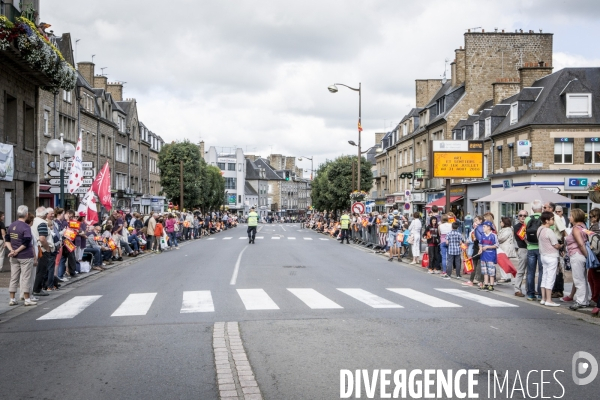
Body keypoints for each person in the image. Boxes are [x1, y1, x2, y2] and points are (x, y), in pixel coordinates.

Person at [5, 205, 37, 306]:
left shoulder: (11, 225)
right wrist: (17, 250)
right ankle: (27, 299)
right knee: (26, 277)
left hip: (14, 257)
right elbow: (27, 241)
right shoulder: (26, 227)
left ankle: (12, 298)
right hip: (25, 256)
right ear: (27, 215)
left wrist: (12, 251)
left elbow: (7, 239)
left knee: (13, 277)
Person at [565, 208, 590, 310]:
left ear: (575, 216)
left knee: (578, 279)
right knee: (583, 279)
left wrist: (586, 255)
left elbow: (580, 243)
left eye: (571, 215)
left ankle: (580, 301)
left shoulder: (576, 228)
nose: (569, 217)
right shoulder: (583, 226)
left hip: (577, 255)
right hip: (581, 255)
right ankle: (585, 300)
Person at [537, 211, 562, 307]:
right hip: (551, 256)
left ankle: (543, 298)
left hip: (543, 255)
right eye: (552, 219)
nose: (553, 220)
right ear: (547, 221)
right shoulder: (549, 231)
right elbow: (555, 245)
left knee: (544, 277)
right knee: (550, 278)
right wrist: (561, 246)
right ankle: (549, 300)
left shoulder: (539, 229)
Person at [525, 200, 544, 301]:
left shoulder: (527, 219)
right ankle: (541, 294)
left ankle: (531, 294)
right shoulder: (544, 218)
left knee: (530, 272)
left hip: (530, 247)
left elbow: (524, 232)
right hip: (541, 248)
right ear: (541, 208)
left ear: (532, 209)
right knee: (541, 271)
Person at [478, 220, 498, 291]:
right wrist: (480, 249)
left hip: (490, 255)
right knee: (485, 271)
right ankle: (486, 284)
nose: (483, 228)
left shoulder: (493, 235)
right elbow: (480, 244)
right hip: (483, 256)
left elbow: (496, 245)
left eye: (484, 226)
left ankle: (491, 284)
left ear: (489, 227)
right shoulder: (482, 235)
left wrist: (487, 247)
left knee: (491, 271)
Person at [512, 210, 529, 297]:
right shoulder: (516, 226)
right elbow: (522, 237)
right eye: (521, 215)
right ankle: (517, 289)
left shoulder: (529, 224)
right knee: (521, 270)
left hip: (531, 249)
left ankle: (529, 289)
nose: (523, 217)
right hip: (523, 249)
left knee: (530, 271)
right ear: (518, 217)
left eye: (525, 216)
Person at [498, 216, 518, 284]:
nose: (500, 223)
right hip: (504, 248)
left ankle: (505, 277)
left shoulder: (507, 230)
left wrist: (497, 238)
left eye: (501, 221)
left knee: (502, 263)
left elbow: (501, 238)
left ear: (504, 223)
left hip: (505, 248)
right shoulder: (507, 229)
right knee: (505, 263)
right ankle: (507, 276)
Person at [588, 208, 600, 317]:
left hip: (596, 255)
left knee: (594, 278)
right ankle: (594, 297)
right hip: (595, 255)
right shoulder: (594, 226)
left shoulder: (596, 227)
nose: (590, 218)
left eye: (591, 216)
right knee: (591, 277)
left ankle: (595, 298)